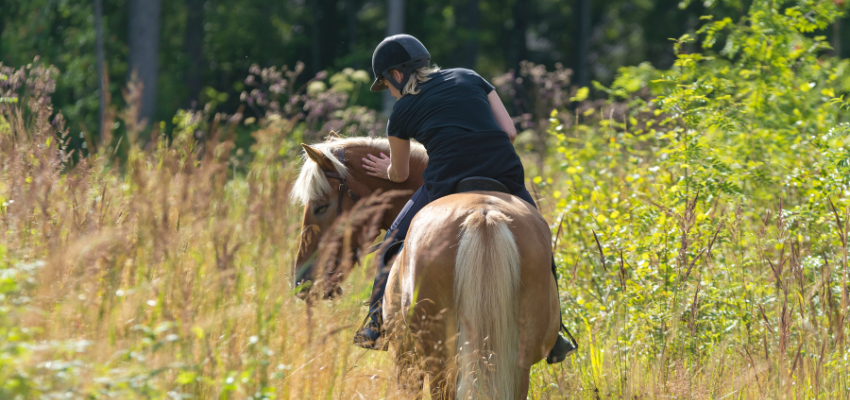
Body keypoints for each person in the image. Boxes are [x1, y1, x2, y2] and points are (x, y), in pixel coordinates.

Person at [353, 34, 576, 363]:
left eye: (386, 83)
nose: (389, 90)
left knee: (391, 243)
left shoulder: (400, 112)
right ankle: (555, 332)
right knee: (540, 237)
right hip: (505, 175)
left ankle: (375, 323)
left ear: (396, 75)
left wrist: (387, 168)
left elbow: (400, 175)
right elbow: (510, 133)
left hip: (447, 183)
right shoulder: (470, 77)